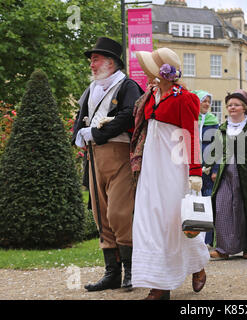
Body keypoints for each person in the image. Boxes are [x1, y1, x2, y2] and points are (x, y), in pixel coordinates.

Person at [130, 48, 209, 300]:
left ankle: (197, 265)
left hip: (174, 166)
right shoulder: (151, 95)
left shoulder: (184, 99)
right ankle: (159, 284)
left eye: (151, 68)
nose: (145, 72)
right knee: (149, 220)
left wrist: (195, 171)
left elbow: (191, 135)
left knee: (174, 220)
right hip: (152, 165)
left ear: (164, 71)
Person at [72, 37, 144, 292]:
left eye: (96, 59)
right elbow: (81, 118)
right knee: (100, 214)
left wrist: (98, 133)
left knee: (119, 213)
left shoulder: (127, 85)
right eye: (92, 60)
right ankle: (111, 273)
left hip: (119, 153)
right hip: (94, 157)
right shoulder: (91, 89)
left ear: (111, 62)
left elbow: (128, 115)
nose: (92, 64)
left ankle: (131, 270)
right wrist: (79, 135)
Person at [208, 89, 247, 260]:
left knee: (245, 208)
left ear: (244, 107)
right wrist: (213, 169)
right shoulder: (222, 128)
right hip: (225, 173)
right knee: (222, 206)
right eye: (229, 105)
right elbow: (215, 151)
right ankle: (223, 248)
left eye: (236, 105)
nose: (232, 107)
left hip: (245, 173)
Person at [191, 90, 219, 246]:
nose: (207, 104)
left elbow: (217, 146)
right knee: (193, 202)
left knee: (208, 203)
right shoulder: (190, 118)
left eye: (209, 101)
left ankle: (208, 240)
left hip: (207, 171)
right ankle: (193, 237)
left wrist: (215, 169)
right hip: (192, 168)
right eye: (204, 101)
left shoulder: (212, 120)